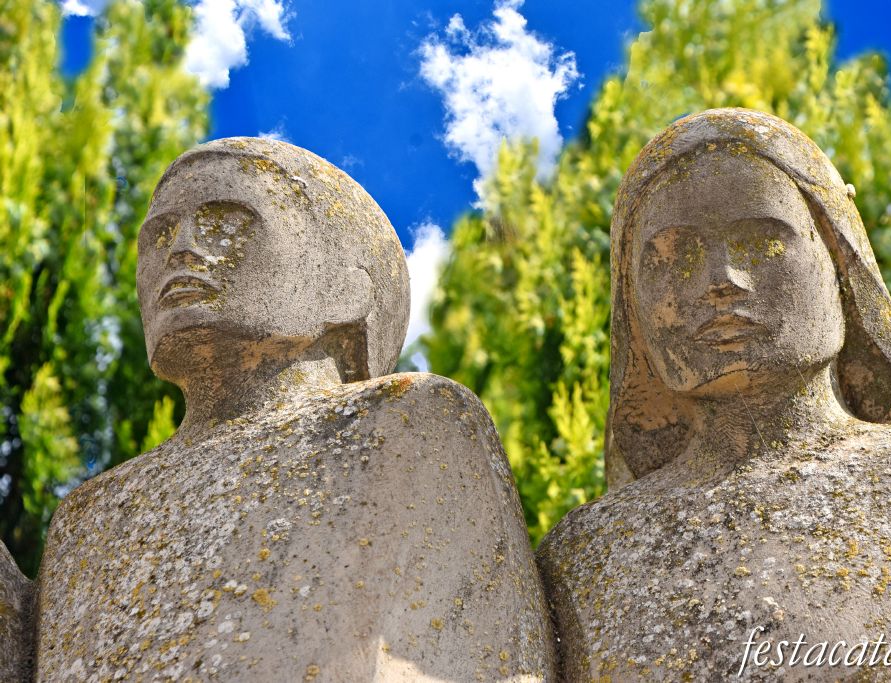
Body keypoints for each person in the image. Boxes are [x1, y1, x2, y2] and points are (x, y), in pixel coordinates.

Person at [25, 137, 554, 681]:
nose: (179, 249)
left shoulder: (407, 424)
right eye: (158, 236)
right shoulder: (86, 519)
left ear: (349, 288)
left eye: (228, 220)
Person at [537, 109, 891, 681]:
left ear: (839, 266)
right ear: (633, 311)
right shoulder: (588, 554)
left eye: (761, 240)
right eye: (675, 254)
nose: (721, 279)